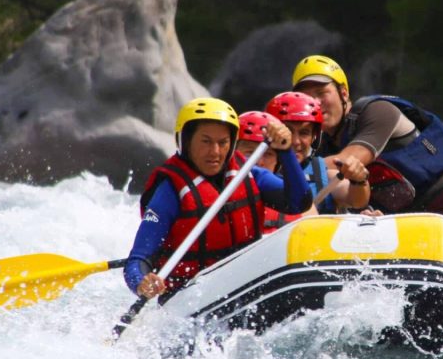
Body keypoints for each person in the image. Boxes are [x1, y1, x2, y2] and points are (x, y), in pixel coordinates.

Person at [124, 97, 313, 302]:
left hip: (244, 284)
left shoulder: (249, 173)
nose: (215, 152)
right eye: (206, 142)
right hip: (191, 298)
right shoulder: (169, 191)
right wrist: (141, 282)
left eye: (223, 143)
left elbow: (298, 202)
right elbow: (138, 260)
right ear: (185, 141)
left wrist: (285, 152)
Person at [292, 55, 443, 220]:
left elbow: (349, 161)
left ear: (343, 93)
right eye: (308, 97)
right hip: (407, 221)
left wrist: (287, 170)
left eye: (322, 92)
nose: (315, 102)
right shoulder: (321, 147)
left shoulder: (377, 111)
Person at [265, 91, 370, 214]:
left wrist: (359, 180)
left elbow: (356, 201)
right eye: (288, 131)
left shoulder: (324, 175)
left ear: (314, 138)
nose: (295, 141)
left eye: (304, 133)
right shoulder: (258, 169)